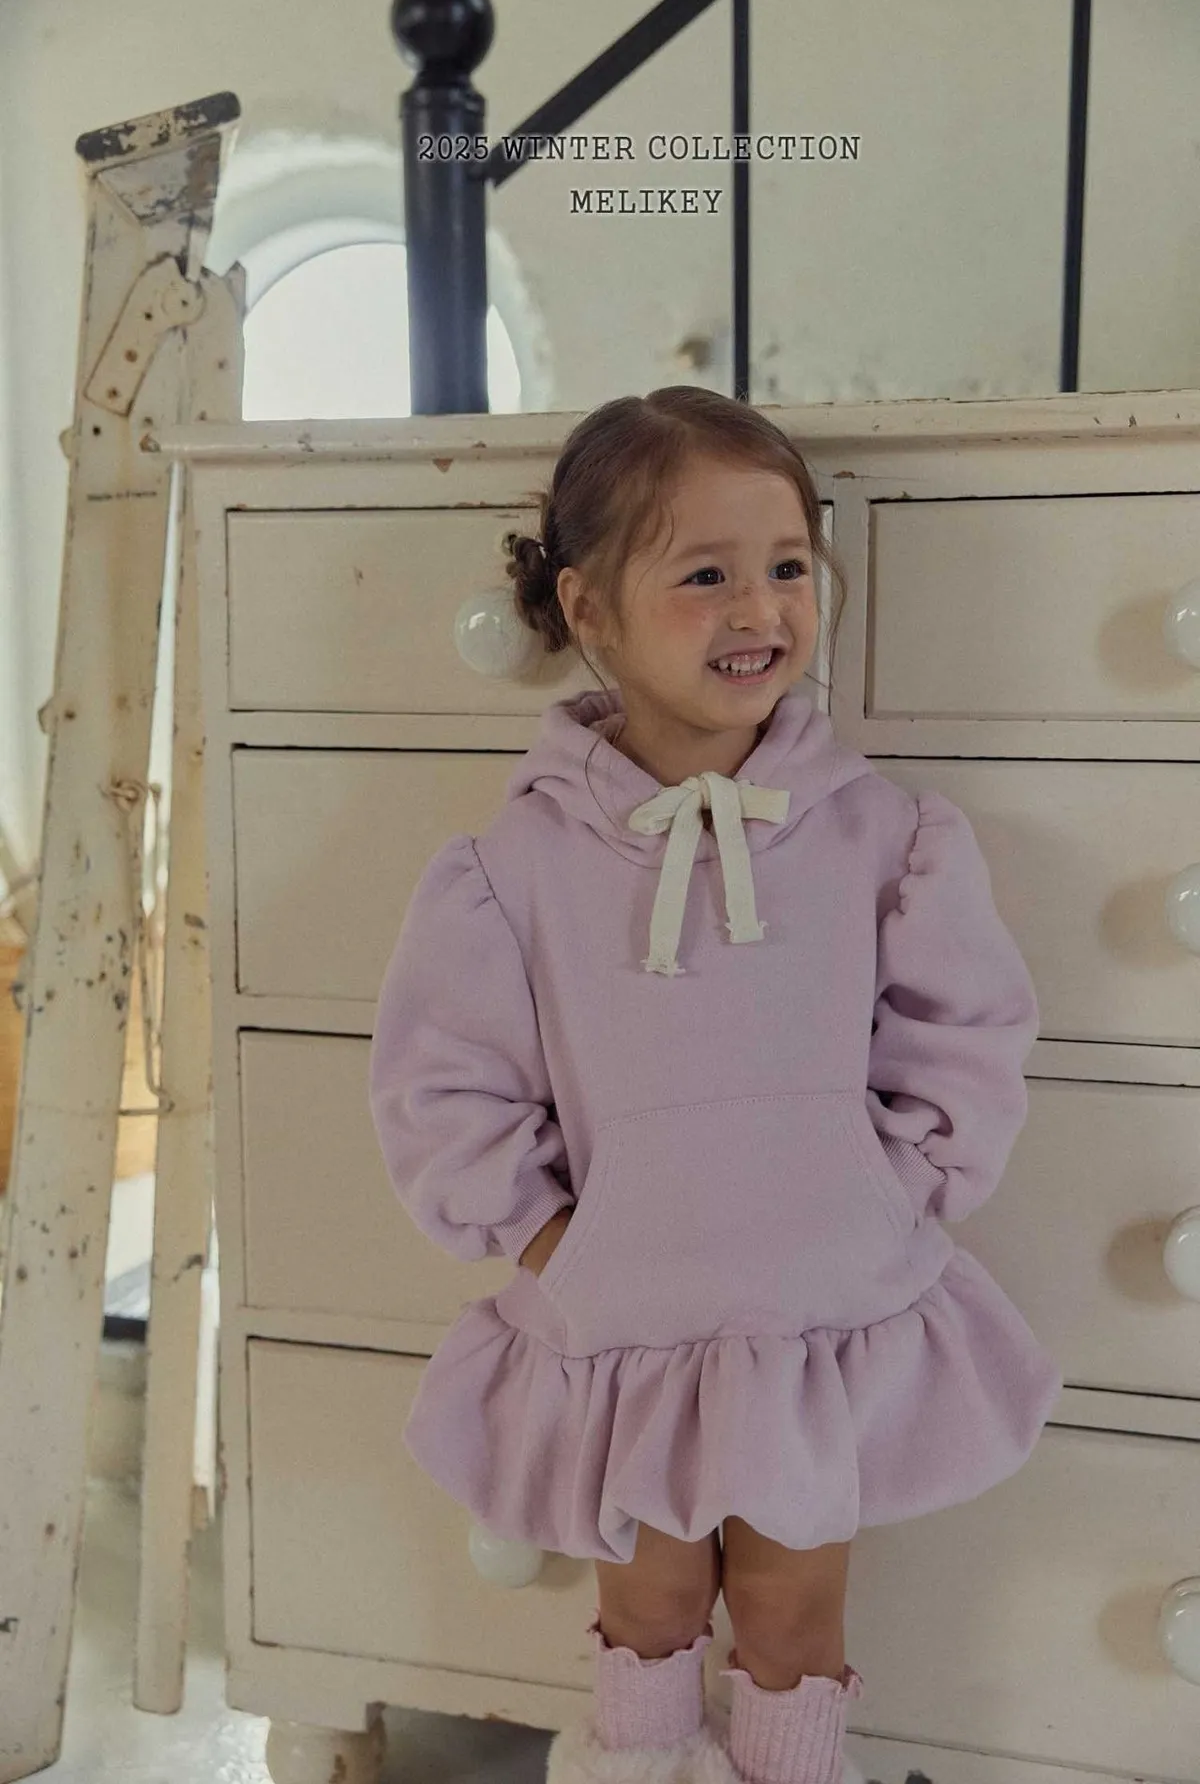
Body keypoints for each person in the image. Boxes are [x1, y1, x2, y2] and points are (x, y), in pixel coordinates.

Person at [367, 386, 1063, 1784]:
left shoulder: (879, 833)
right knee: (651, 1613)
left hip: (816, 1319)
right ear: (590, 607)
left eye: (787, 565)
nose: (759, 608)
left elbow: (962, 1032)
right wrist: (552, 1240)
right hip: (630, 1330)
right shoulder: (517, 865)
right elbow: (446, 1081)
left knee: (795, 1620)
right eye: (705, 575)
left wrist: (896, 1190)